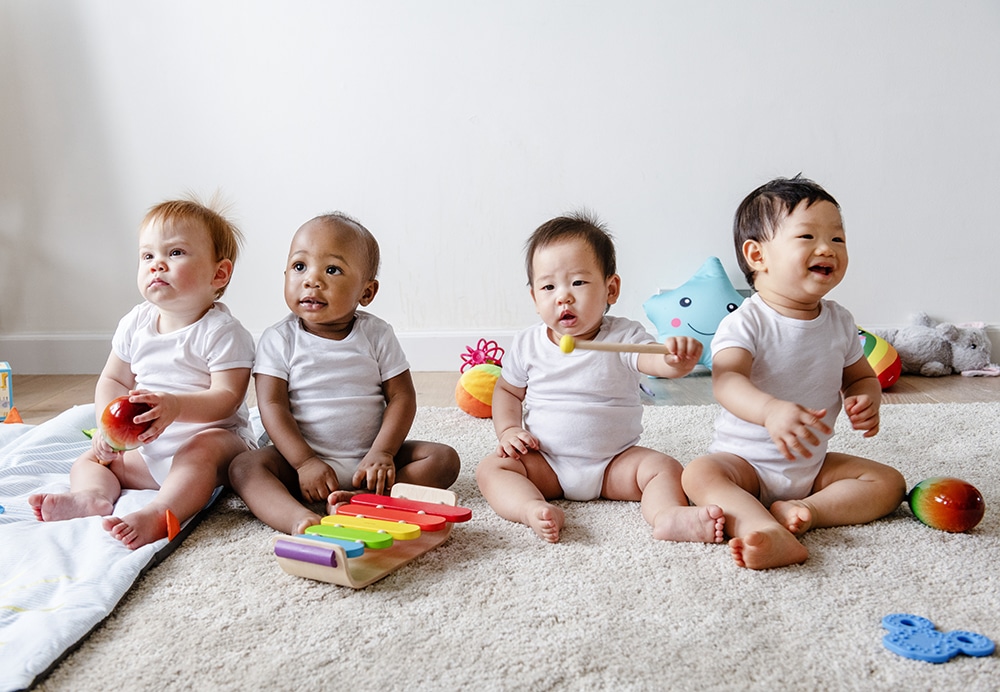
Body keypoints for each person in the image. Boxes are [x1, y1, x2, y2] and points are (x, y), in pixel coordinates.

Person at [681, 176, 906, 569]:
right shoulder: (746, 322)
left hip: (811, 466)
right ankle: (762, 528)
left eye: (837, 239)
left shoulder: (839, 321)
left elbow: (860, 376)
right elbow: (727, 380)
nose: (828, 248)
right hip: (744, 463)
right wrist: (769, 411)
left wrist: (866, 397)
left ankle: (805, 511)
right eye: (807, 236)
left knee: (889, 484)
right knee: (699, 474)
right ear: (757, 256)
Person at [475, 212, 726, 544]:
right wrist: (509, 430)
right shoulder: (528, 344)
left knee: (665, 469)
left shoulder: (622, 336)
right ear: (535, 299)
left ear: (611, 288)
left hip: (615, 462)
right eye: (548, 286)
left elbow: (656, 362)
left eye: (578, 282)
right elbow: (508, 391)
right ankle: (531, 509)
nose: (562, 296)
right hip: (546, 462)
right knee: (491, 469)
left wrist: (677, 360)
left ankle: (667, 516)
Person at [29, 198, 255, 549]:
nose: (157, 265)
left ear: (218, 274)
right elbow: (113, 380)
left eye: (175, 253)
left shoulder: (223, 332)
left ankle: (161, 512)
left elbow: (227, 398)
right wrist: (108, 429)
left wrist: (176, 407)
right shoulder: (137, 323)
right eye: (147, 256)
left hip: (214, 448)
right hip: (147, 448)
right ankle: (92, 496)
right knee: (93, 459)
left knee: (202, 449)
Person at [229, 213, 460, 535]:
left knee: (444, 459)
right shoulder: (279, 338)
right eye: (299, 267)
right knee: (244, 467)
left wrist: (384, 453)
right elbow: (272, 405)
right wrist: (304, 462)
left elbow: (401, 396)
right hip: (301, 461)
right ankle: (298, 519)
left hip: (370, 458)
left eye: (332, 269)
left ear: (366, 292)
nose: (311, 280)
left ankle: (361, 499)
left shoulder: (376, 334)